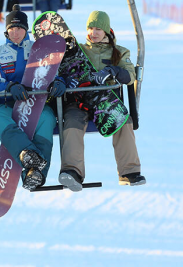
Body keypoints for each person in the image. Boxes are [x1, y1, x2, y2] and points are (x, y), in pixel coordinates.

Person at [59, 10, 146, 191]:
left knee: (124, 121)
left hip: (105, 101)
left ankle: (129, 171)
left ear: (106, 30)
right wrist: (67, 80)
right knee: (72, 123)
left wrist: (114, 71)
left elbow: (130, 75)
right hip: (79, 100)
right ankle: (72, 171)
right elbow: (61, 70)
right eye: (91, 28)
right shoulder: (78, 51)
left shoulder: (118, 52)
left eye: (98, 28)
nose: (94, 33)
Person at [0, 5, 66, 190]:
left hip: (34, 104)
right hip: (6, 104)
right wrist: (10, 86)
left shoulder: (39, 49)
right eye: (11, 29)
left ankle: (36, 175)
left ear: (26, 29)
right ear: (6, 31)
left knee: (46, 118)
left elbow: (54, 71)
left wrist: (58, 82)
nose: (16, 33)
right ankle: (26, 154)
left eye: (19, 28)